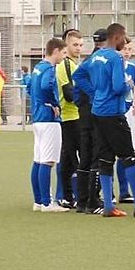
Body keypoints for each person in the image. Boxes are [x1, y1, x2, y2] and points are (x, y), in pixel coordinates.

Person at [85, 23, 135, 218]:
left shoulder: (97, 56)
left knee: (105, 158)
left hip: (98, 112)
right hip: (114, 112)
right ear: (117, 37)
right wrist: (126, 87)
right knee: (130, 157)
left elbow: (79, 76)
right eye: (124, 38)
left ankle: (109, 206)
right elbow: (119, 87)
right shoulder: (115, 58)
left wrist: (96, 93)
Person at [28, 38, 68, 212]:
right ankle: (46, 202)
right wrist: (53, 103)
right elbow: (46, 86)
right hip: (49, 119)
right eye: (64, 53)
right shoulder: (50, 69)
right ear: (56, 51)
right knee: (48, 161)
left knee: (38, 160)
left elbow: (28, 86)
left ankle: (38, 201)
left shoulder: (37, 67)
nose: (64, 57)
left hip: (37, 118)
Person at [71, 28, 107, 214]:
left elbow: (77, 90)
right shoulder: (102, 62)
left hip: (83, 113)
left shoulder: (87, 61)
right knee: (96, 155)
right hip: (96, 113)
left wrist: (82, 105)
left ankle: (82, 200)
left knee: (84, 156)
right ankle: (93, 200)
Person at [54, 30, 83, 209]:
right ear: (66, 45)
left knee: (67, 157)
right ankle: (77, 195)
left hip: (73, 116)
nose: (78, 48)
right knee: (75, 158)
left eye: (80, 45)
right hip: (71, 116)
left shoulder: (73, 64)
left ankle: (67, 196)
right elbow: (69, 93)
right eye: (75, 45)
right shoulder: (65, 65)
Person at [116, 38, 135, 209]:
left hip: (127, 112)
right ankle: (109, 192)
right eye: (124, 49)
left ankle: (124, 191)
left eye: (129, 49)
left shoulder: (132, 68)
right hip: (113, 112)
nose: (127, 52)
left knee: (129, 151)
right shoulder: (113, 66)